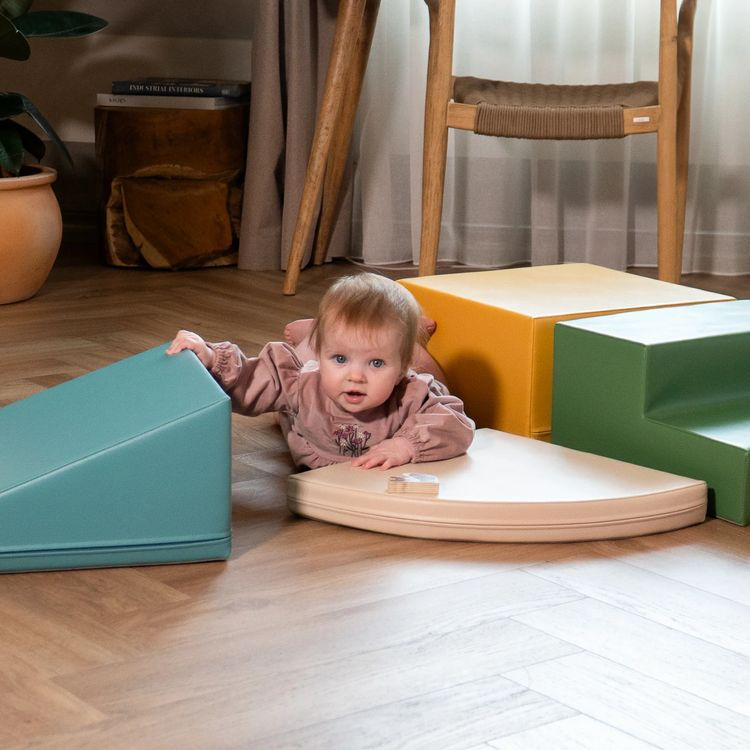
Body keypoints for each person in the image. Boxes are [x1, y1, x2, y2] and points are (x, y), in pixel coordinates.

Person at [166, 272, 474, 470]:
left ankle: (411, 334)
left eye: (376, 363)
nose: (356, 376)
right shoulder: (303, 384)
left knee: (431, 370)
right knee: (285, 402)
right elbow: (253, 379)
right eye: (340, 359)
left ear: (401, 369)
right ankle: (312, 335)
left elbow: (456, 423)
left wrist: (407, 444)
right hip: (306, 411)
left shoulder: (412, 392)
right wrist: (210, 357)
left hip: (375, 361)